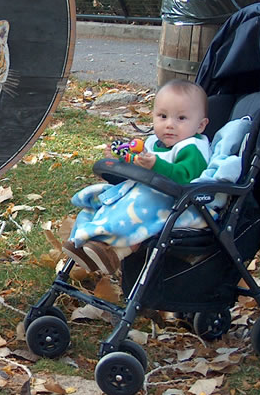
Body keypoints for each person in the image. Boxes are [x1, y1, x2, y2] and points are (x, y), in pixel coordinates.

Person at [63, 79, 211, 276]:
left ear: (200, 125)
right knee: (101, 202)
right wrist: (120, 160)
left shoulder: (192, 148)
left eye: (181, 118)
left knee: (133, 207)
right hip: (148, 193)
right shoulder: (153, 143)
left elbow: (184, 176)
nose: (169, 125)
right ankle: (83, 244)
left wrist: (157, 165)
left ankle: (109, 250)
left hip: (179, 201)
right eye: (163, 116)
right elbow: (138, 165)